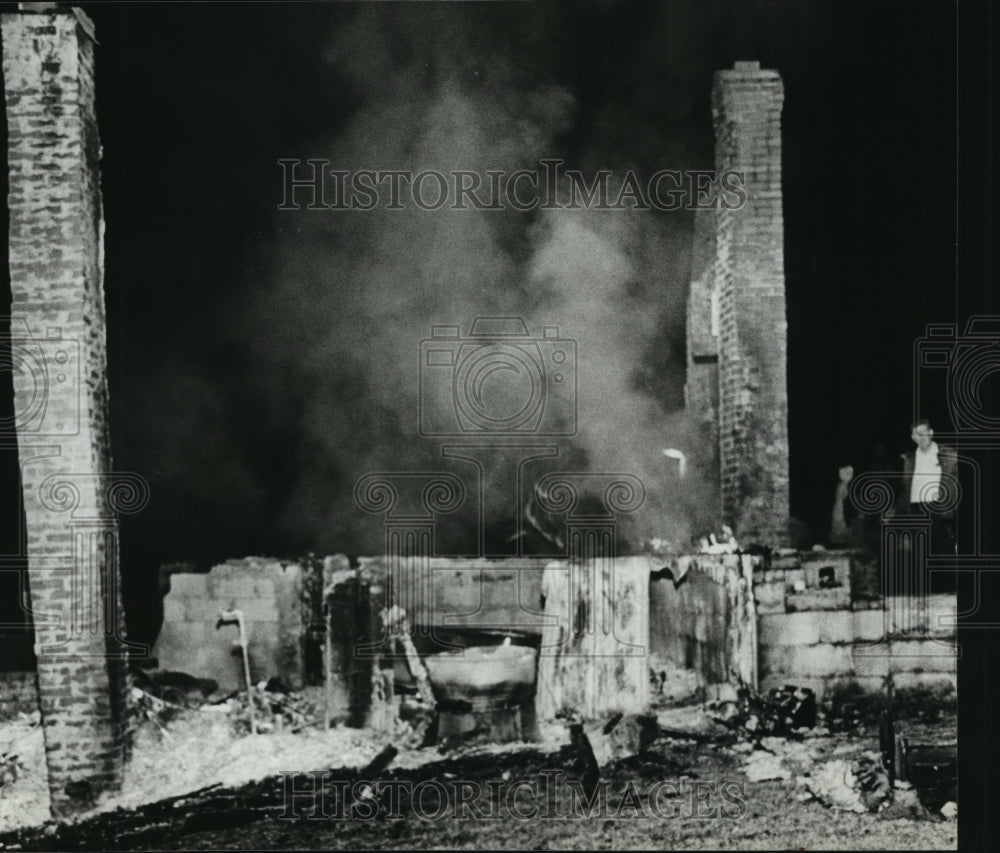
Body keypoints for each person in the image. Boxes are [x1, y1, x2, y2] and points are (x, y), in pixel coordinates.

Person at [895, 418, 958, 556]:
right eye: (917, 434)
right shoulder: (909, 459)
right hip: (917, 512)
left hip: (940, 511)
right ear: (913, 437)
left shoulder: (949, 455)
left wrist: (951, 507)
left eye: (924, 432)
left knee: (944, 555)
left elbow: (957, 484)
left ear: (931, 433)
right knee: (921, 556)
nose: (922, 437)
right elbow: (906, 487)